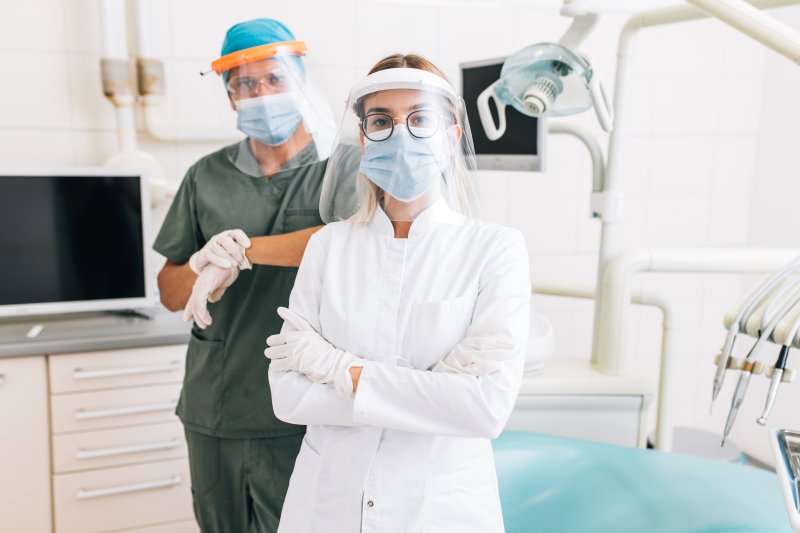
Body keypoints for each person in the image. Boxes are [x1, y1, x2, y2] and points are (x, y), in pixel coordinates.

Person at [264, 54, 531, 533]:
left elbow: (485, 408)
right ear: (363, 139)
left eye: (420, 119)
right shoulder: (329, 246)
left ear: (451, 137)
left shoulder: (494, 248)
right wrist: (431, 392)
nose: (401, 134)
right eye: (382, 121)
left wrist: (336, 368)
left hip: (439, 510)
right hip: (329, 506)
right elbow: (288, 396)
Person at [152, 18, 355, 533]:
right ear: (229, 98)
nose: (259, 93)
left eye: (274, 78)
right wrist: (199, 263)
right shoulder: (206, 176)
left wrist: (244, 252)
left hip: (306, 407)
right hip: (215, 406)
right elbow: (171, 292)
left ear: (300, 83)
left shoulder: (344, 166)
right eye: (243, 84)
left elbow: (351, 246)